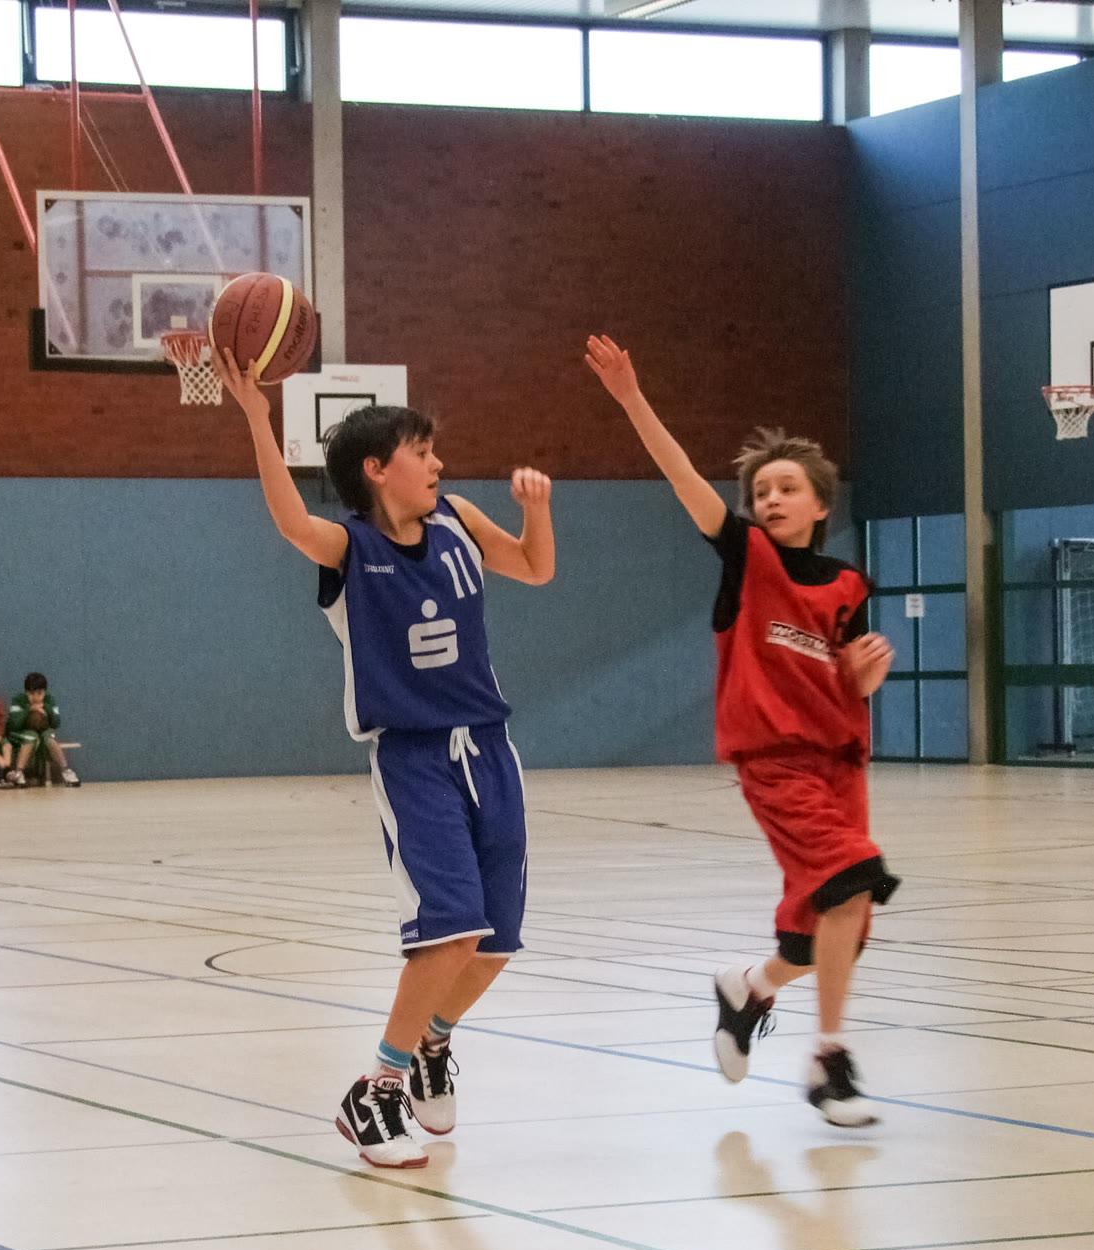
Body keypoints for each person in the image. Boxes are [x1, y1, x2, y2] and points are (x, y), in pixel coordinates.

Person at [217, 346, 555, 1169]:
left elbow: (535, 567)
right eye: (421, 451)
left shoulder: (458, 520)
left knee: (497, 942)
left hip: (491, 749)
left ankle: (434, 1042)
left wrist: (536, 510)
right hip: (415, 759)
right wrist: (258, 416)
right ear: (377, 468)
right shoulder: (350, 548)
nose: (438, 463)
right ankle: (375, 1088)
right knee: (451, 929)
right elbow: (291, 521)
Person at [586, 335, 898, 1128]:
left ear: (822, 504)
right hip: (775, 763)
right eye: (762, 490)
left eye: (789, 487)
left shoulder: (849, 584)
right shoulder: (746, 556)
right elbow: (685, 479)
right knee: (852, 877)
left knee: (826, 932)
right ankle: (829, 1060)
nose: (772, 498)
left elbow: (849, 680)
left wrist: (864, 677)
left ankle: (750, 988)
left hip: (842, 764)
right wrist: (631, 398)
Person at [7, 673, 79, 787]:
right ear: (26, 692)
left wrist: (46, 710)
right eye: (32, 693)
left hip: (42, 731)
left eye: (39, 693)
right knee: (31, 736)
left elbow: (56, 723)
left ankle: (65, 770)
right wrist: (29, 709)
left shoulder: (49, 700)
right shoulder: (17, 700)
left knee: (50, 738)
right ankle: (19, 772)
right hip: (20, 732)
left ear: (45, 692)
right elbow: (14, 725)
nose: (36, 697)